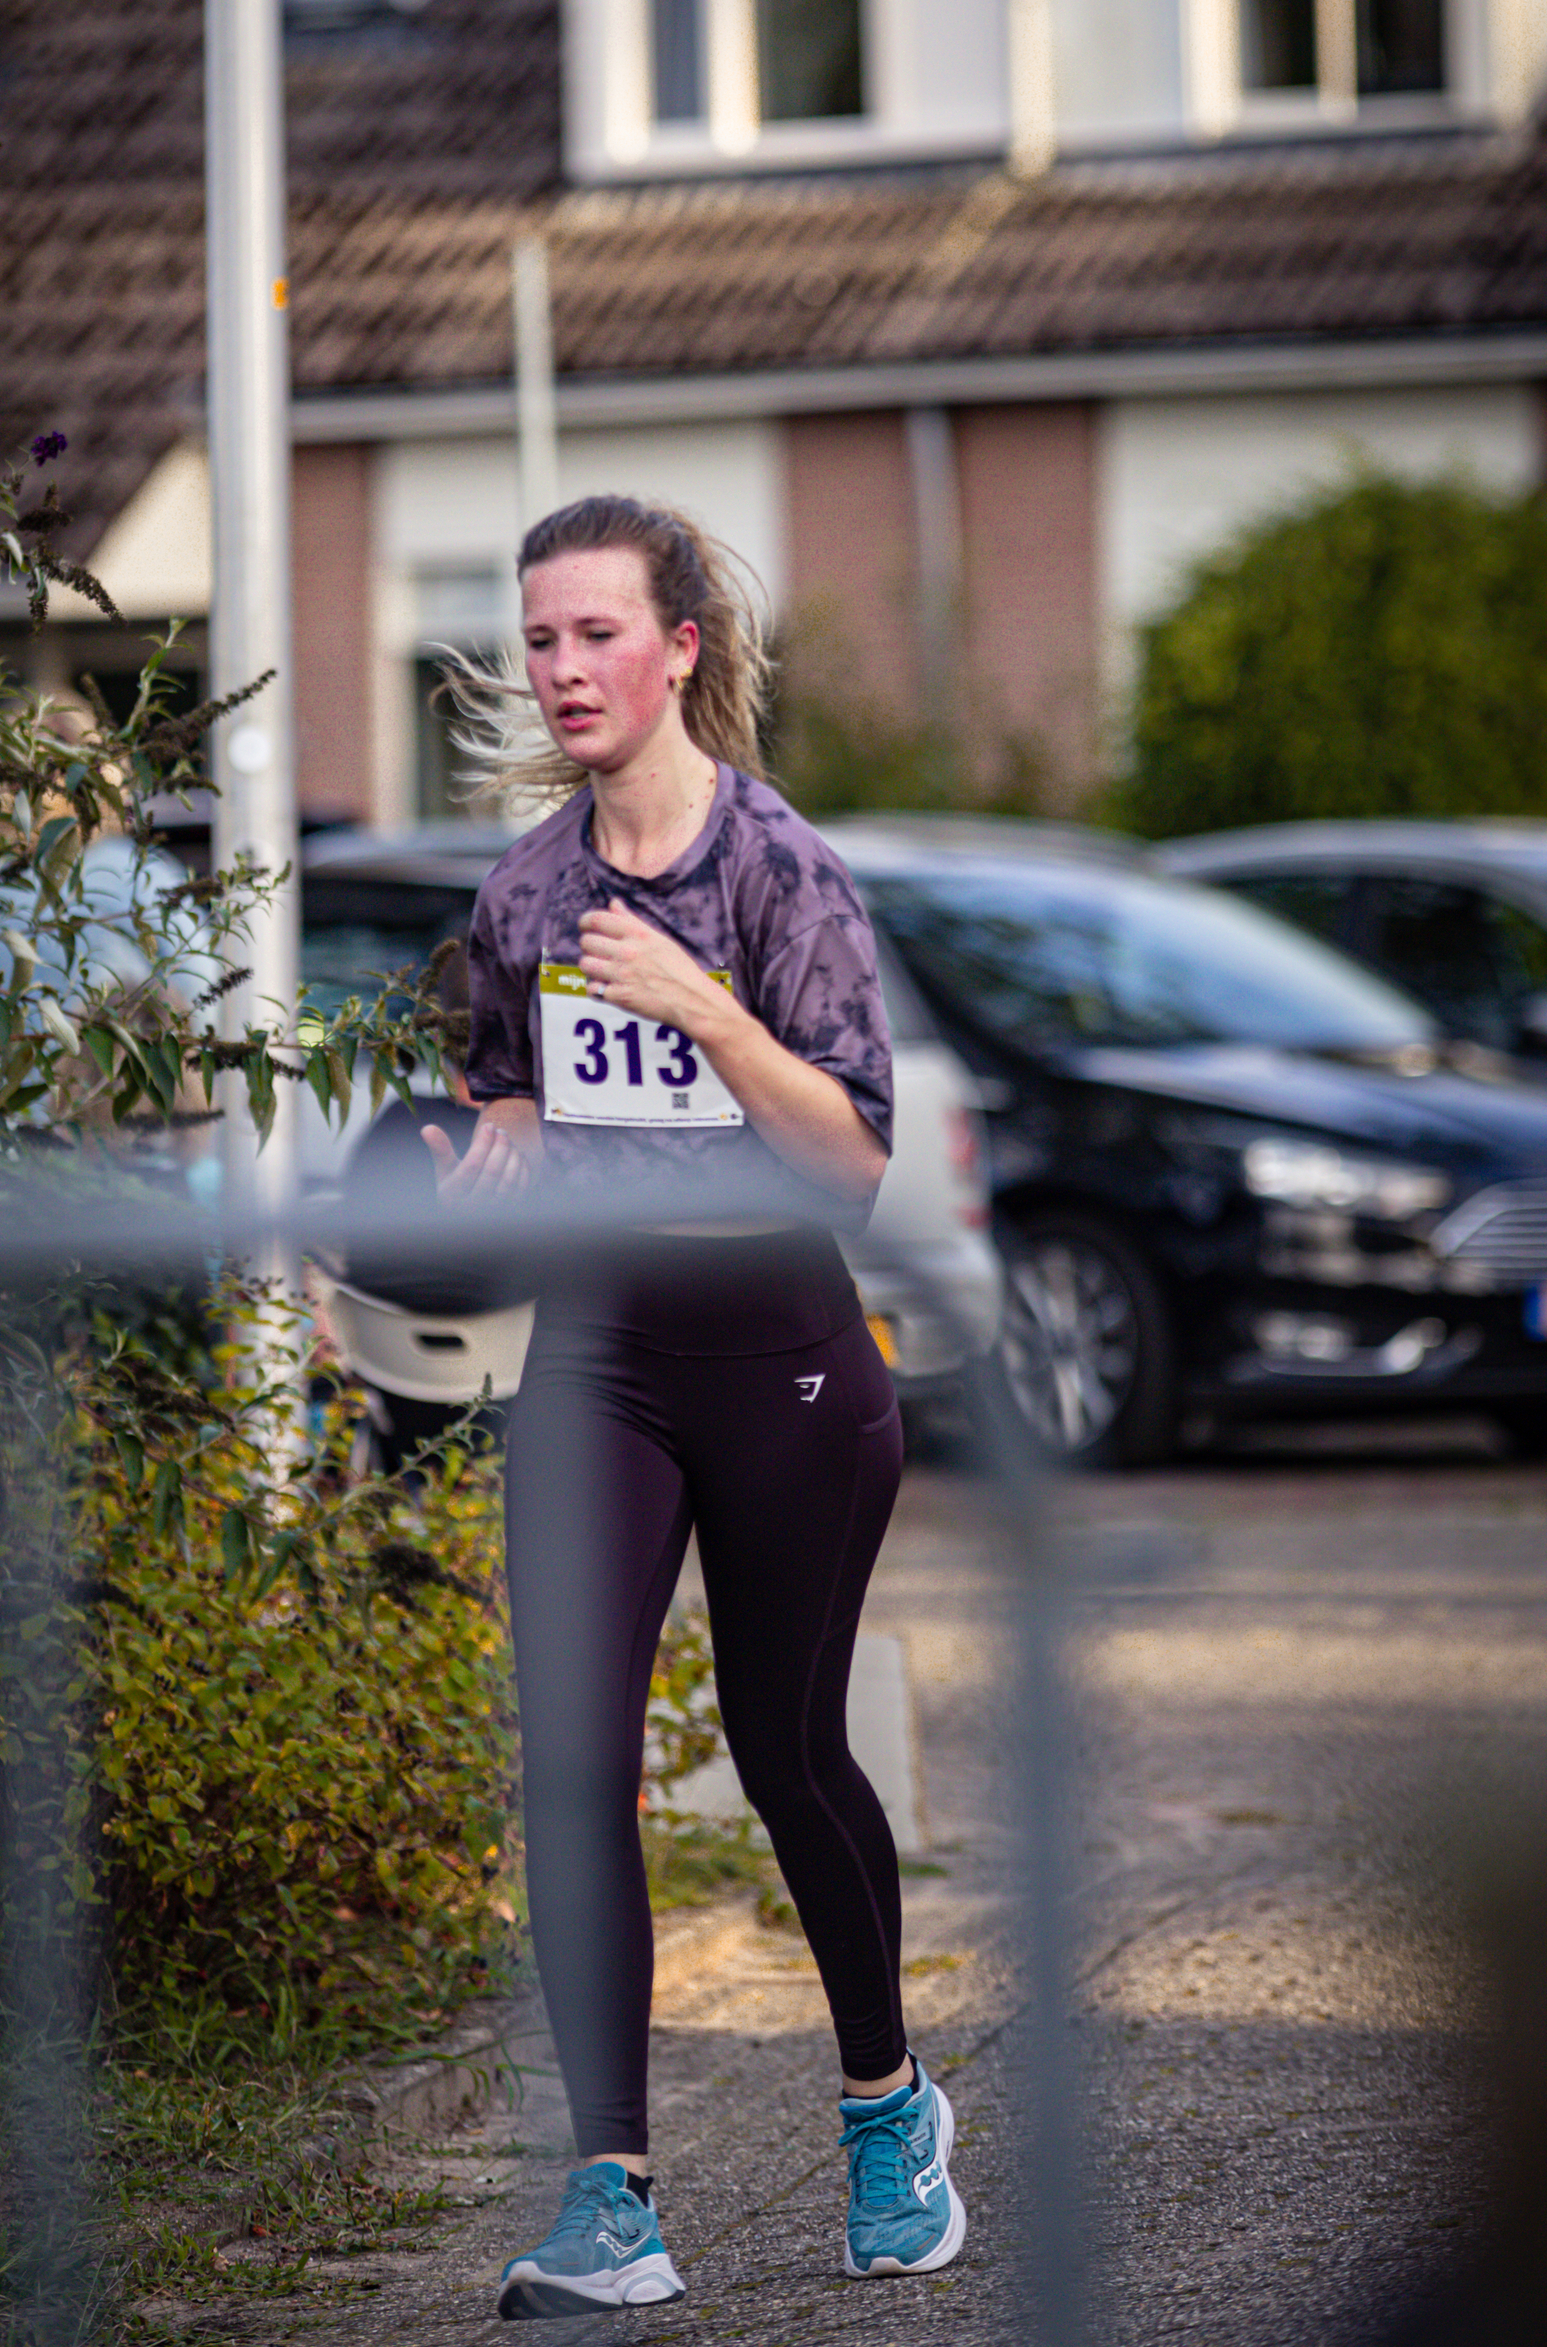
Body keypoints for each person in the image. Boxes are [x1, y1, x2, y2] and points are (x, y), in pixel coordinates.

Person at [422, 494, 967, 2320]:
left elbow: (854, 1167)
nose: (561, 670)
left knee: (783, 1748)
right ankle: (613, 2194)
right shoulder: (521, 894)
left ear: (681, 653)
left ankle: (889, 2111)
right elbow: (506, 1086)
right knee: (569, 1761)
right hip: (598, 1353)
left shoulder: (780, 872)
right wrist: (494, 1133)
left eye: (595, 635)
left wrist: (713, 1013)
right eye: (540, 639)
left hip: (788, 1363)